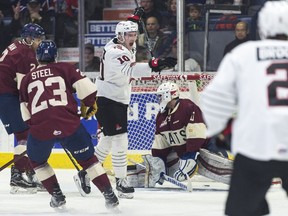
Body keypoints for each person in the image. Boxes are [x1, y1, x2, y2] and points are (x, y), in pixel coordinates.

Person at [201, 1, 288, 215]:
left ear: (261, 27)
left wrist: (222, 131)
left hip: (255, 145)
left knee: (241, 212)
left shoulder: (243, 53)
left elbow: (213, 98)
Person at [19, 40, 119, 210]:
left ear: (37, 57)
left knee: (37, 162)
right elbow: (88, 89)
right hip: (69, 124)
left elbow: (25, 114)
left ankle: (57, 196)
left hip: (41, 128)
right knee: (89, 161)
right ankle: (110, 196)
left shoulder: (27, 79)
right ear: (55, 55)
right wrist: (87, 104)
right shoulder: (65, 68)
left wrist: (42, 126)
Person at [94, 11, 177, 199]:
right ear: (121, 36)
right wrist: (155, 64)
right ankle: (121, 182)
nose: (132, 38)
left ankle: (86, 174)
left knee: (108, 139)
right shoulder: (115, 52)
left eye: (134, 34)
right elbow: (132, 69)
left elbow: (129, 46)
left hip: (117, 98)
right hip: (109, 99)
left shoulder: (120, 43)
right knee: (120, 140)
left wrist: (133, 19)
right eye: (129, 35)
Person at [0, 23, 45, 194]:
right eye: (38, 39)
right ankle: (17, 175)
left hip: (6, 93)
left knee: (27, 132)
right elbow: (23, 86)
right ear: (29, 38)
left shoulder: (19, 47)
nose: (40, 42)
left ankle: (28, 171)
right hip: (5, 95)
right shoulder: (25, 53)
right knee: (24, 134)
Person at [142, 82, 208, 187]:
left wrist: (190, 156)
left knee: (222, 169)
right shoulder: (161, 116)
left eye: (161, 95)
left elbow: (196, 134)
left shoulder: (187, 107)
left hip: (206, 148)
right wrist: (159, 162)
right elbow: (161, 141)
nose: (159, 98)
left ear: (169, 95)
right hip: (185, 154)